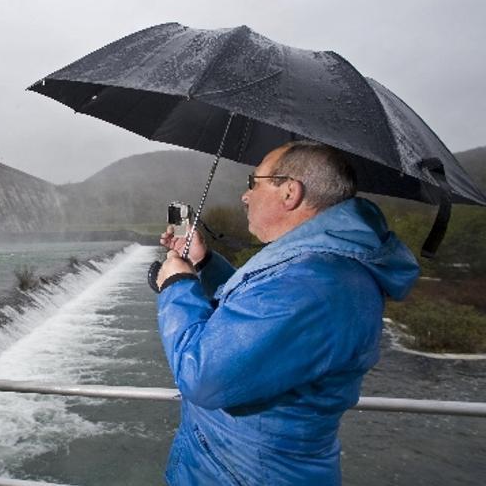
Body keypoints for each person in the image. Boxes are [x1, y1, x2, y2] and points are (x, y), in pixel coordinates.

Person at [154, 141, 420, 485]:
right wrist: (204, 264)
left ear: (290, 192)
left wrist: (176, 284)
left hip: (247, 475)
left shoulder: (311, 285)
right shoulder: (316, 268)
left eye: (254, 182)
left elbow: (201, 376)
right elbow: (253, 317)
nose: (245, 196)